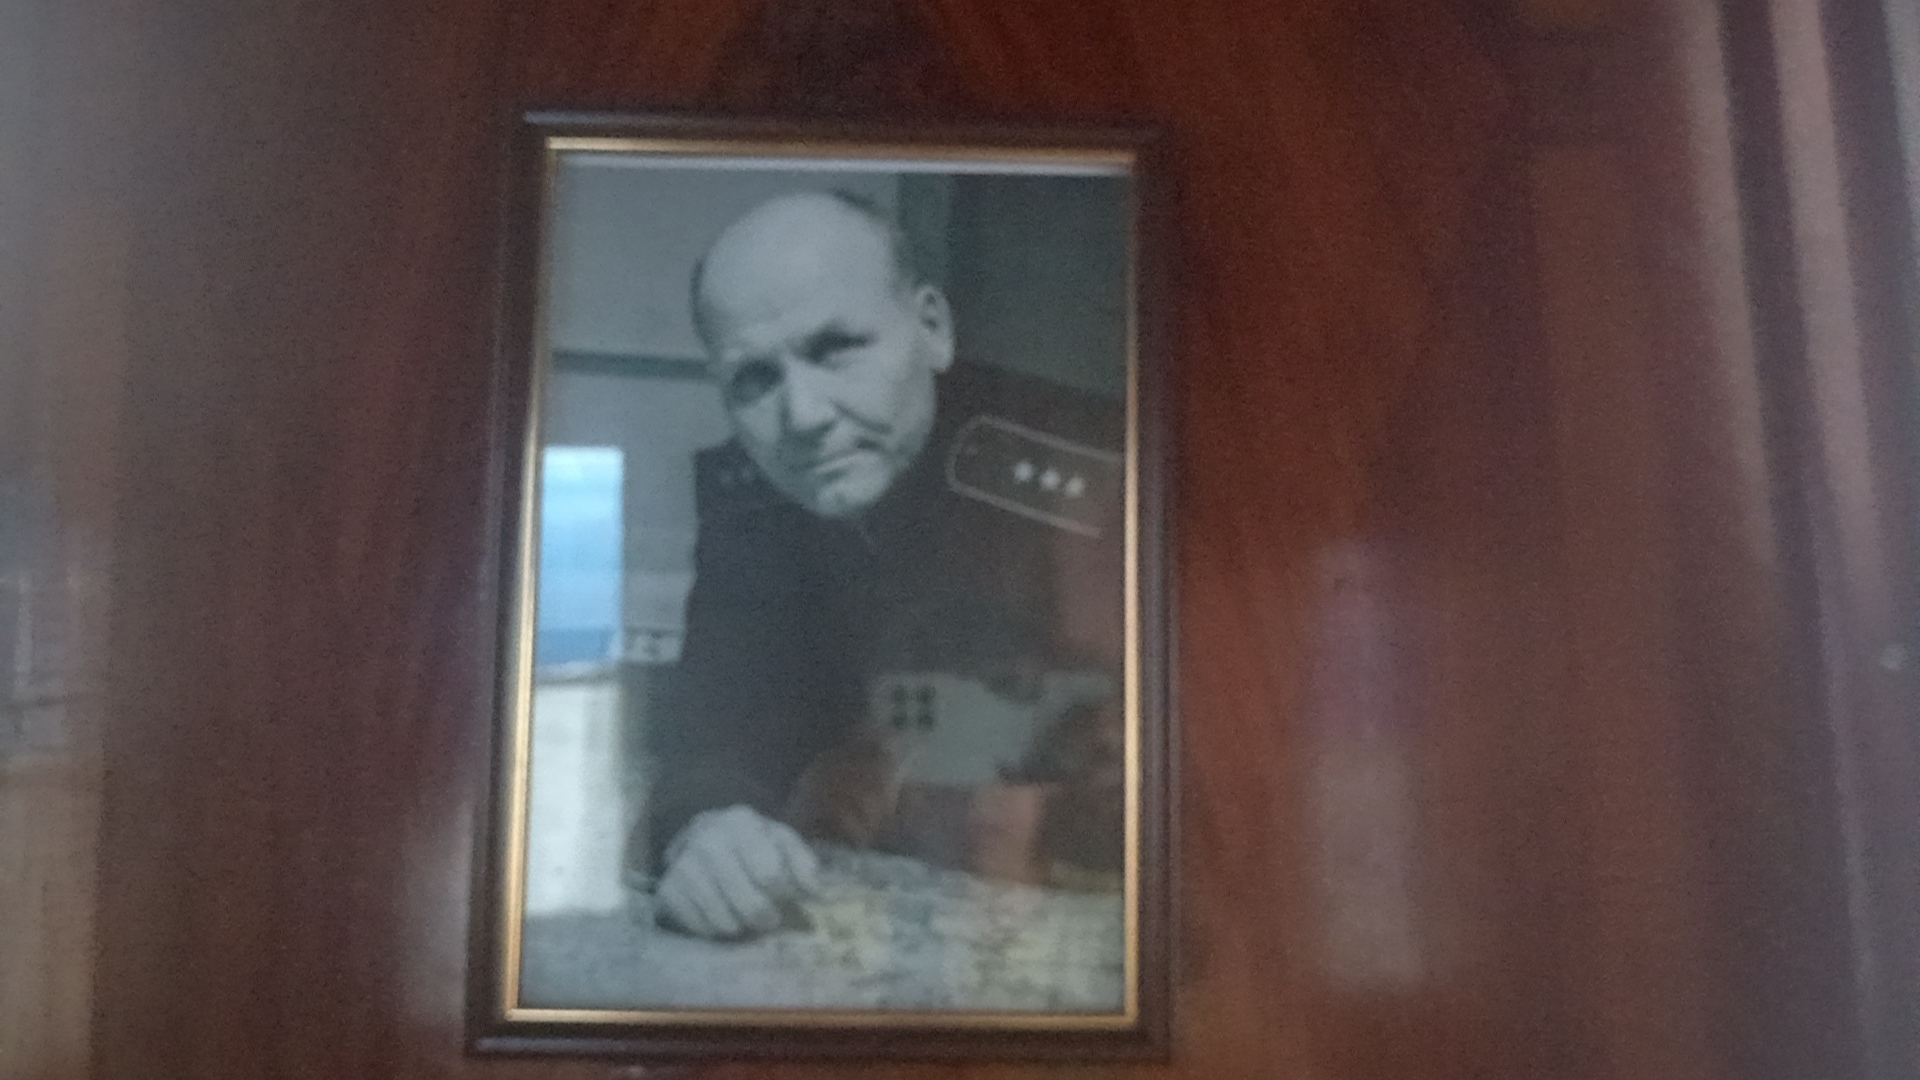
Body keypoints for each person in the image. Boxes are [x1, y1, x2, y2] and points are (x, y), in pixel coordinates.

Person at [637, 190, 1127, 940]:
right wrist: (707, 830)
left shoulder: (1094, 469)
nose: (802, 415)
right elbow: (720, 722)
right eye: (754, 379)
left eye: (836, 348)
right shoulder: (753, 504)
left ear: (932, 329)